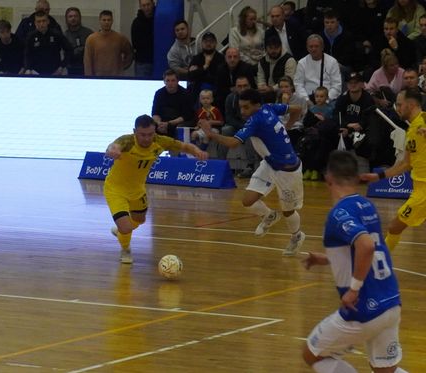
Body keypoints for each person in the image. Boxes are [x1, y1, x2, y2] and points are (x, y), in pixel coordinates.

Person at [301, 150, 404, 373]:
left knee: (313, 355)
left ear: (328, 177)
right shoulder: (367, 206)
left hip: (365, 308)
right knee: (386, 370)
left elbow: (365, 246)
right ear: (357, 177)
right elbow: (370, 248)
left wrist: (354, 289)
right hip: (391, 301)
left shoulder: (338, 213)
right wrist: (328, 259)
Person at [200, 89, 307, 255]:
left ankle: (297, 236)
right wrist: (288, 126)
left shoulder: (256, 121)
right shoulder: (269, 107)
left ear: (257, 105)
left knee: (288, 211)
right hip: (270, 164)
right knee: (248, 200)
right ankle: (269, 215)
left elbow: (233, 143)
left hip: (288, 171)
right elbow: (297, 109)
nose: (242, 111)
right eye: (241, 107)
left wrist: (209, 134)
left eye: (246, 107)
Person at [106, 114, 207, 263]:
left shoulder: (160, 141)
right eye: (142, 135)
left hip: (137, 189)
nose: (147, 138)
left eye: (150, 134)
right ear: (135, 131)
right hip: (115, 189)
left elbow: (184, 146)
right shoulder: (127, 141)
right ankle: (125, 249)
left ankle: (121, 231)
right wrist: (112, 151)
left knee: (140, 220)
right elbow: (113, 146)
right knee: (126, 227)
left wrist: (196, 151)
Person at [361, 88, 426, 251]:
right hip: (418, 188)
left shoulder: (423, 121)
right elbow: (405, 164)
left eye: (399, 104)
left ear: (411, 105)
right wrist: (379, 176)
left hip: (424, 191)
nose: (397, 108)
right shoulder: (412, 129)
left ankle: (379, 265)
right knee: (394, 227)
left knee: (394, 227)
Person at [294, 34, 342, 103]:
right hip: (308, 100)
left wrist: (326, 100)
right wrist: (306, 100)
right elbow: (298, 85)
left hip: (328, 101)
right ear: (307, 48)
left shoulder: (332, 62)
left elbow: (336, 86)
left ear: (322, 47)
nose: (313, 49)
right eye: (311, 46)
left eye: (316, 46)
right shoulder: (302, 63)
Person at [83, 10, 132, 77]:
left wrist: (122, 67)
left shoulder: (119, 38)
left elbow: (130, 53)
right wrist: (89, 77)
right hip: (98, 77)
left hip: (115, 77)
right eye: (104, 20)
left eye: (109, 20)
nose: (106, 22)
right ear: (100, 21)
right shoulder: (91, 39)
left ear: (112, 21)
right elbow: (87, 61)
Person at [151, 69, 195, 143]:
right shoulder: (159, 93)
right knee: (149, 125)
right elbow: (155, 113)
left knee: (179, 127)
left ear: (178, 81)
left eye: (173, 80)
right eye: (167, 80)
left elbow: (186, 116)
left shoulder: (185, 94)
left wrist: (168, 124)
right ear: (164, 81)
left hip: (178, 122)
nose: (170, 83)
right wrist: (159, 124)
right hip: (162, 122)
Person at [23, 11, 72, 75]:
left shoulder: (56, 34)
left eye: (44, 21)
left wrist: (62, 66)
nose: (41, 24)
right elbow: (27, 54)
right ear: (35, 23)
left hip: (55, 71)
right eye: (39, 21)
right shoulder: (30, 36)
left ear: (48, 21)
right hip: (36, 72)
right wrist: (28, 68)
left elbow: (69, 50)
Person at [257, 35, 297, 103]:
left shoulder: (289, 60)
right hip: (267, 91)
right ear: (266, 48)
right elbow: (261, 77)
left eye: (276, 48)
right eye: (270, 48)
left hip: (282, 90)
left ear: (281, 47)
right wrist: (262, 87)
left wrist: (272, 88)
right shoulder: (262, 61)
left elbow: (289, 80)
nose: (273, 51)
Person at [63, 7, 92, 76]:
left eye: (75, 16)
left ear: (80, 18)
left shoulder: (89, 33)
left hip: (86, 69)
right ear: (67, 19)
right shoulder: (64, 35)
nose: (73, 18)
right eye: (70, 16)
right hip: (70, 69)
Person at [131, 0, 155, 77]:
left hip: (159, 60)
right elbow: (135, 43)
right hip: (142, 62)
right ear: (140, 7)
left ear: (153, 4)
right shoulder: (136, 22)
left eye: (148, 4)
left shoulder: (160, 19)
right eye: (143, 5)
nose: (146, 8)